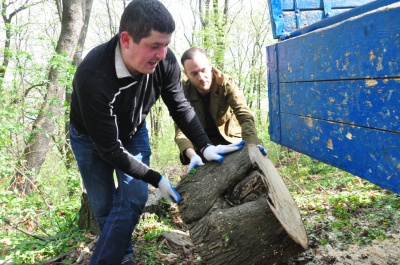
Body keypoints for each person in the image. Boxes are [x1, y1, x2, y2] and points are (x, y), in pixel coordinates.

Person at [69, 1, 244, 264]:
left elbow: (180, 106)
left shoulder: (165, 60)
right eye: (154, 46)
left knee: (134, 197)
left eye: (166, 45)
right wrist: (157, 178)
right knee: (105, 206)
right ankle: (123, 256)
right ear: (126, 40)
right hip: (90, 140)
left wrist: (204, 145)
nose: (162, 54)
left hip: (133, 131)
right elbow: (110, 150)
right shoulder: (93, 75)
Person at [175, 47, 267, 172]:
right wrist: (193, 156)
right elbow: (181, 131)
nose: (201, 77)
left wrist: (252, 145)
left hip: (231, 141)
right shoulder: (182, 93)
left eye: (203, 70)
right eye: (194, 73)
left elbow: (244, 115)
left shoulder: (226, 83)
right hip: (202, 147)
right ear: (186, 73)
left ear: (210, 65)